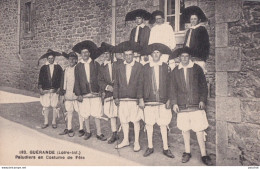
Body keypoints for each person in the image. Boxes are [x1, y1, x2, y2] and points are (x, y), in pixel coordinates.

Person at [170, 47, 213, 166]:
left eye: (186, 56)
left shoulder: (197, 69)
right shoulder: (175, 71)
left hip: (196, 104)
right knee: (185, 129)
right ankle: (187, 152)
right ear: (179, 58)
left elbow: (203, 86)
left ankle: (204, 154)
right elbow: (172, 88)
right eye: (182, 57)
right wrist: (174, 103)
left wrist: (202, 100)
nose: (184, 59)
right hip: (182, 105)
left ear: (189, 57)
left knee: (199, 129)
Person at [142, 43, 174, 158]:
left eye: (158, 53)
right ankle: (150, 147)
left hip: (162, 100)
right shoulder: (145, 67)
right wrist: (141, 98)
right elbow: (140, 84)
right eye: (154, 53)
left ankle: (166, 148)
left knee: (163, 124)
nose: (155, 55)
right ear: (151, 54)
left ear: (160, 55)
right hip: (149, 100)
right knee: (149, 124)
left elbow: (170, 84)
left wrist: (170, 99)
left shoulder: (166, 67)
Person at [113, 41, 144, 152]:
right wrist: (115, 97)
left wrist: (140, 98)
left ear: (133, 55)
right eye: (126, 55)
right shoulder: (119, 67)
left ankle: (136, 142)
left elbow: (141, 83)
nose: (128, 57)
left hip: (134, 99)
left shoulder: (139, 66)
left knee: (135, 120)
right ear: (123, 56)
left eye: (130, 54)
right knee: (124, 120)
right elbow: (116, 83)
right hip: (122, 99)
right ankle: (125, 140)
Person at [72, 40, 107, 141]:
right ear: (81, 54)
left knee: (97, 113)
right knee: (85, 113)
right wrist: (78, 94)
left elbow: (100, 79)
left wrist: (101, 91)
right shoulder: (78, 66)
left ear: (89, 53)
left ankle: (99, 133)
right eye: (83, 53)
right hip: (84, 94)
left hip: (95, 93)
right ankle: (88, 131)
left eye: (87, 52)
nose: (85, 54)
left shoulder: (96, 64)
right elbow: (77, 81)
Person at [97, 42, 119, 144]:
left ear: (112, 54)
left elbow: (123, 76)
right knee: (111, 114)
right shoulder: (102, 66)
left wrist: (116, 86)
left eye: (108, 53)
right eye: (105, 54)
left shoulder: (118, 63)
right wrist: (107, 87)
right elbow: (100, 80)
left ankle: (125, 135)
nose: (107, 55)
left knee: (121, 113)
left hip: (119, 93)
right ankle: (114, 133)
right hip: (109, 93)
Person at [38, 49, 63, 129]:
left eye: (52, 58)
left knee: (54, 106)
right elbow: (40, 79)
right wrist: (41, 89)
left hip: (54, 90)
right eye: (49, 58)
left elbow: (61, 79)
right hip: (46, 90)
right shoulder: (43, 68)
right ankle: (45, 122)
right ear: (47, 59)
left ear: (54, 58)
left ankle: (54, 122)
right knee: (46, 106)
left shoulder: (58, 67)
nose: (50, 60)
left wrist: (59, 88)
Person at [182, 6, 210, 73]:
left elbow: (206, 44)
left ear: (198, 20)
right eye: (191, 19)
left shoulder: (202, 30)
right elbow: (186, 44)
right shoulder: (189, 31)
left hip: (198, 57)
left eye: (195, 19)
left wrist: (203, 57)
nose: (193, 21)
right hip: (190, 57)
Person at [59, 52, 79, 136]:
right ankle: (69, 128)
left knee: (80, 112)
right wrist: (62, 94)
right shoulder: (66, 70)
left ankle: (82, 129)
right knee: (69, 111)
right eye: (70, 59)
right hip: (67, 94)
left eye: (73, 59)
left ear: (76, 60)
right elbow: (63, 83)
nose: (71, 60)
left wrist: (79, 94)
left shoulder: (78, 70)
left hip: (76, 94)